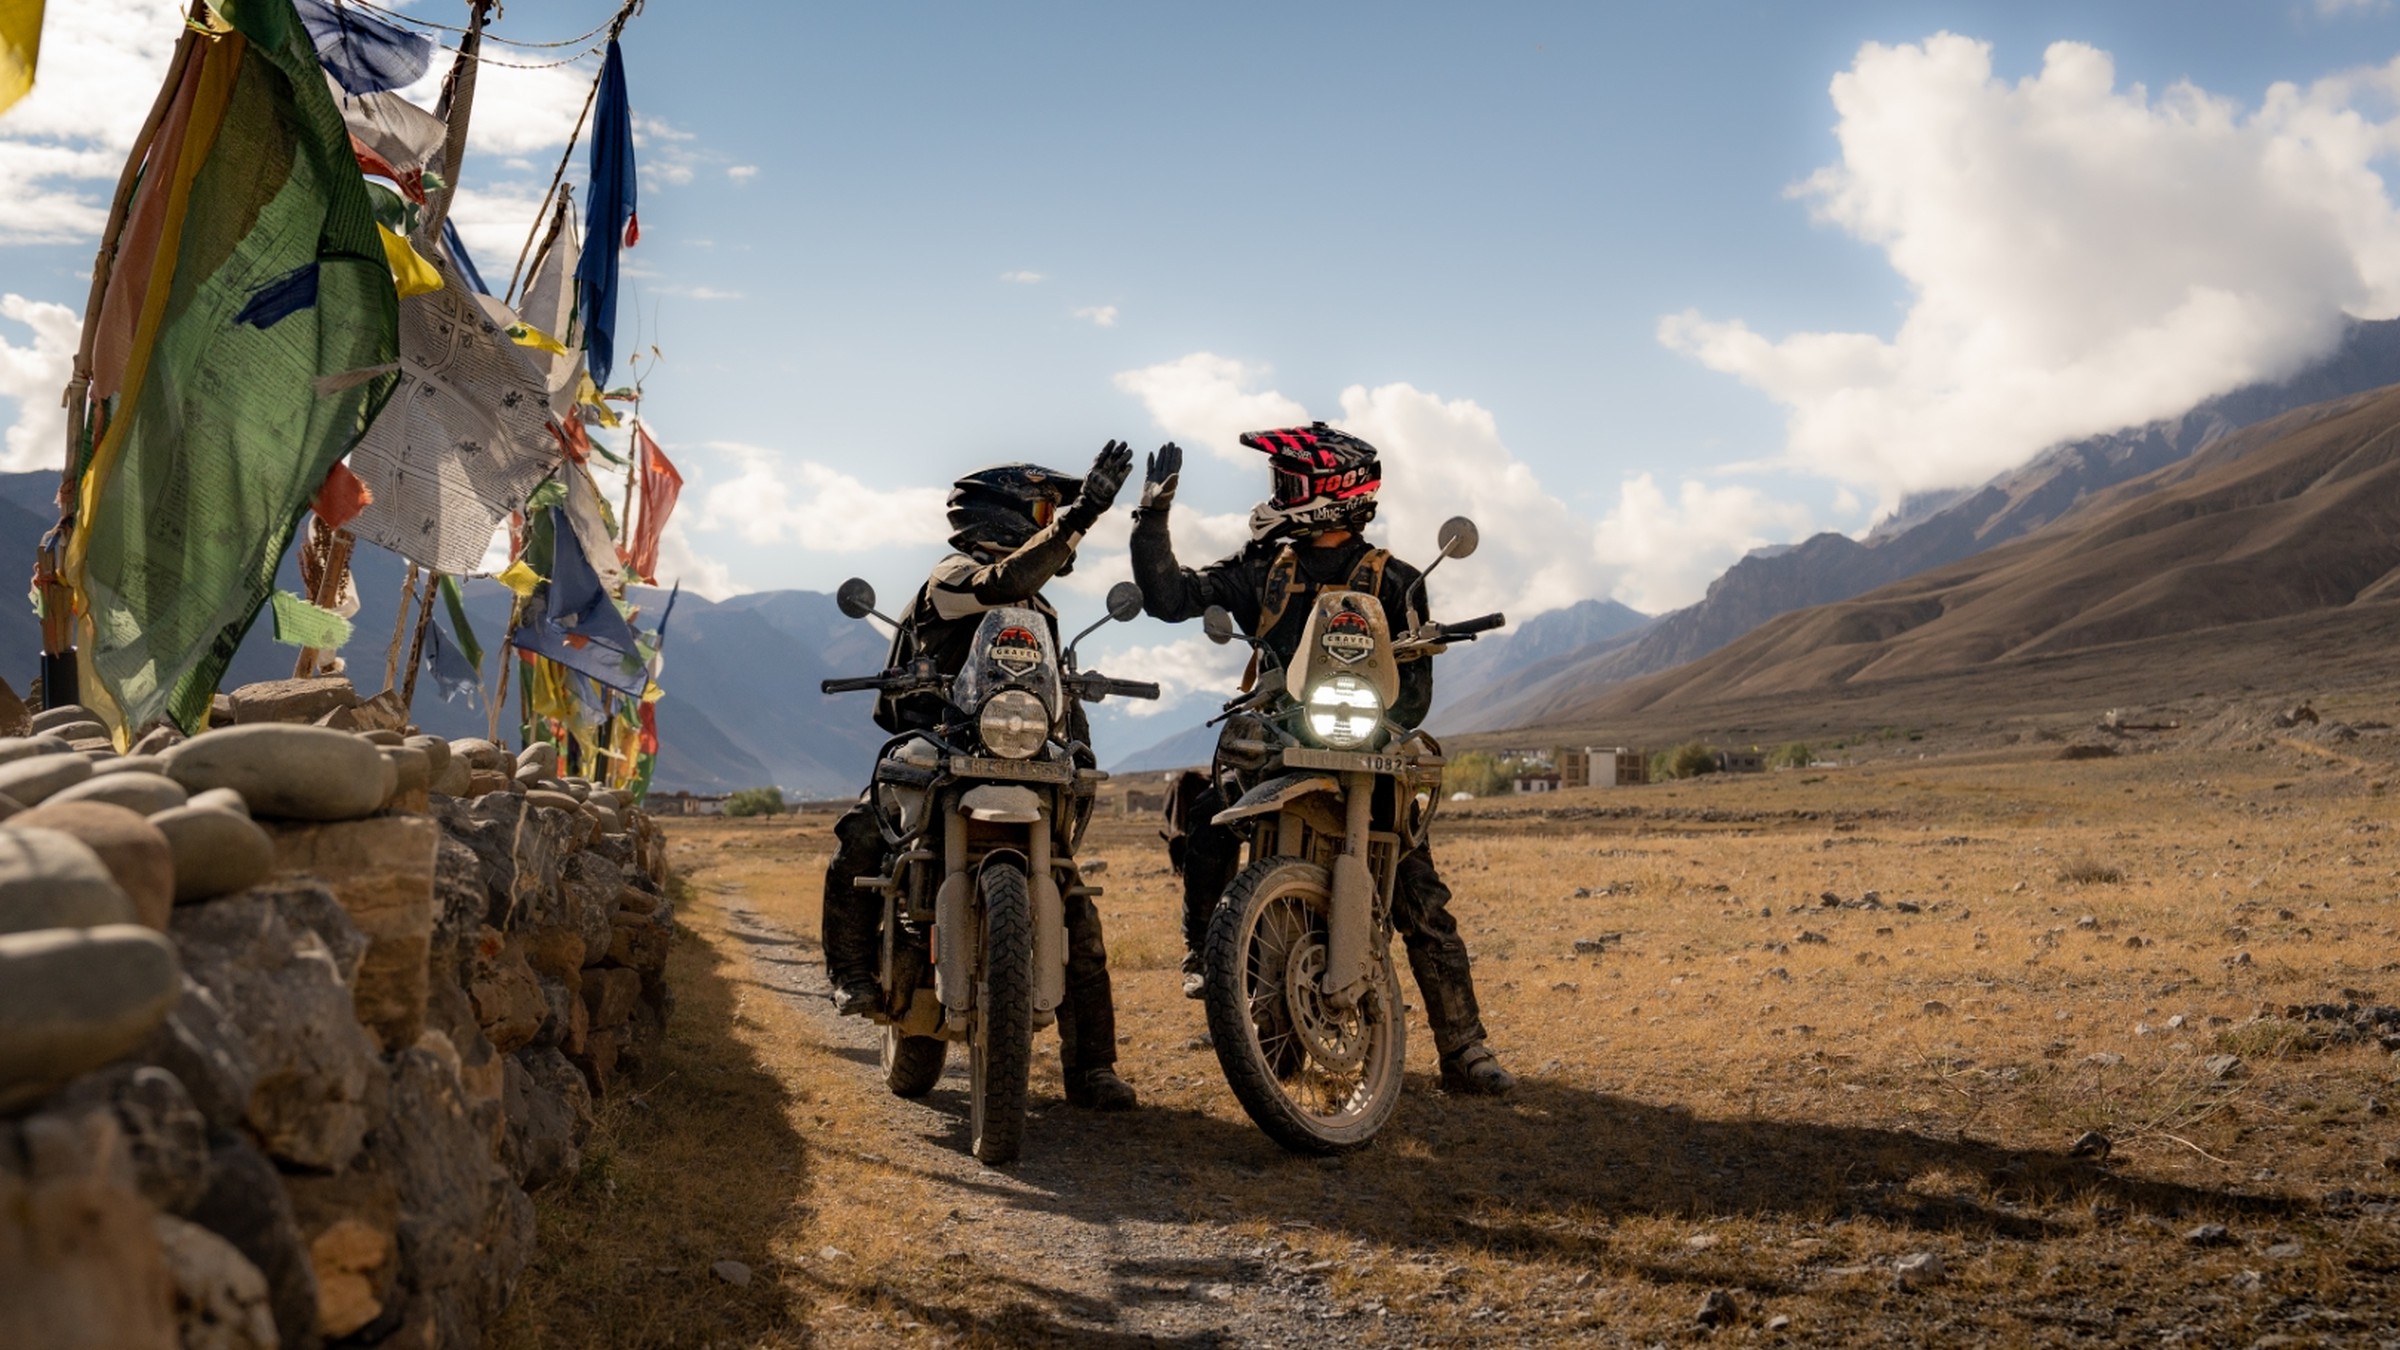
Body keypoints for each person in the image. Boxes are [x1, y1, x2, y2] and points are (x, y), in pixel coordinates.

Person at [1128, 423, 1515, 1097]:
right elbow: (1171, 598)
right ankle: (1203, 948)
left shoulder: (1395, 580)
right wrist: (1150, 521)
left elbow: (1415, 689)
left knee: (1421, 893)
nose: (1276, 496)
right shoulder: (1263, 571)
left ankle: (1464, 1046)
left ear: (1329, 493)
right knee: (1210, 812)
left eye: (1289, 485)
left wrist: (1391, 720)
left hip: (1365, 747)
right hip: (1282, 740)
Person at [820, 442, 1139, 1111]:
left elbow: (1058, 694)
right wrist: (1082, 515)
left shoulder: (1040, 614)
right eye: (1044, 513)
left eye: (1056, 514)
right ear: (1005, 519)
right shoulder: (955, 577)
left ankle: (1092, 1068)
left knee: (1074, 900)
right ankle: (849, 974)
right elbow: (1002, 584)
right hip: (940, 746)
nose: (1054, 527)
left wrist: (1075, 747)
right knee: (862, 838)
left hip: (1018, 753)